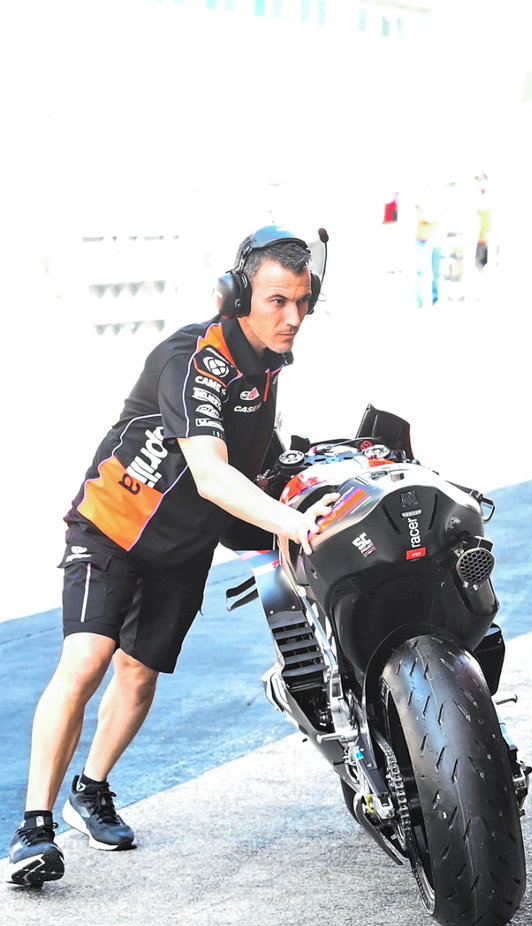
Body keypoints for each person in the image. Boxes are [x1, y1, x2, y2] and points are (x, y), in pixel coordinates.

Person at [6, 226, 334, 887]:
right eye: (277, 301)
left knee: (139, 675)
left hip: (183, 545)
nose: (293, 317)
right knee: (89, 658)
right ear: (242, 294)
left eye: (302, 301)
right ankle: (32, 830)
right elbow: (212, 474)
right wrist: (297, 525)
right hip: (113, 528)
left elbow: (253, 450)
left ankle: (90, 789)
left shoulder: (265, 363)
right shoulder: (193, 359)